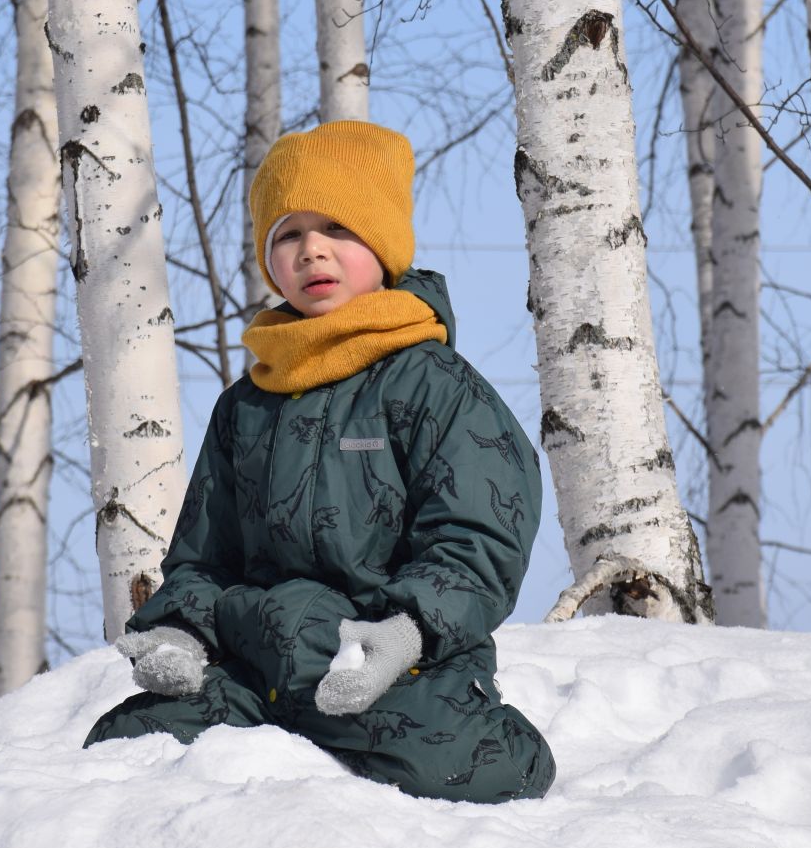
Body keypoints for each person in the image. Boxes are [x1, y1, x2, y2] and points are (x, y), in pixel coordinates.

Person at [85, 120, 555, 803]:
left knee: (466, 766)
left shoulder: (431, 385)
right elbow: (206, 555)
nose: (312, 250)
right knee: (124, 749)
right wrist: (183, 632)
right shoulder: (247, 404)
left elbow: (479, 536)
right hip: (256, 664)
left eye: (337, 228)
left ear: (384, 243)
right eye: (288, 233)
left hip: (391, 662)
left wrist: (405, 631)